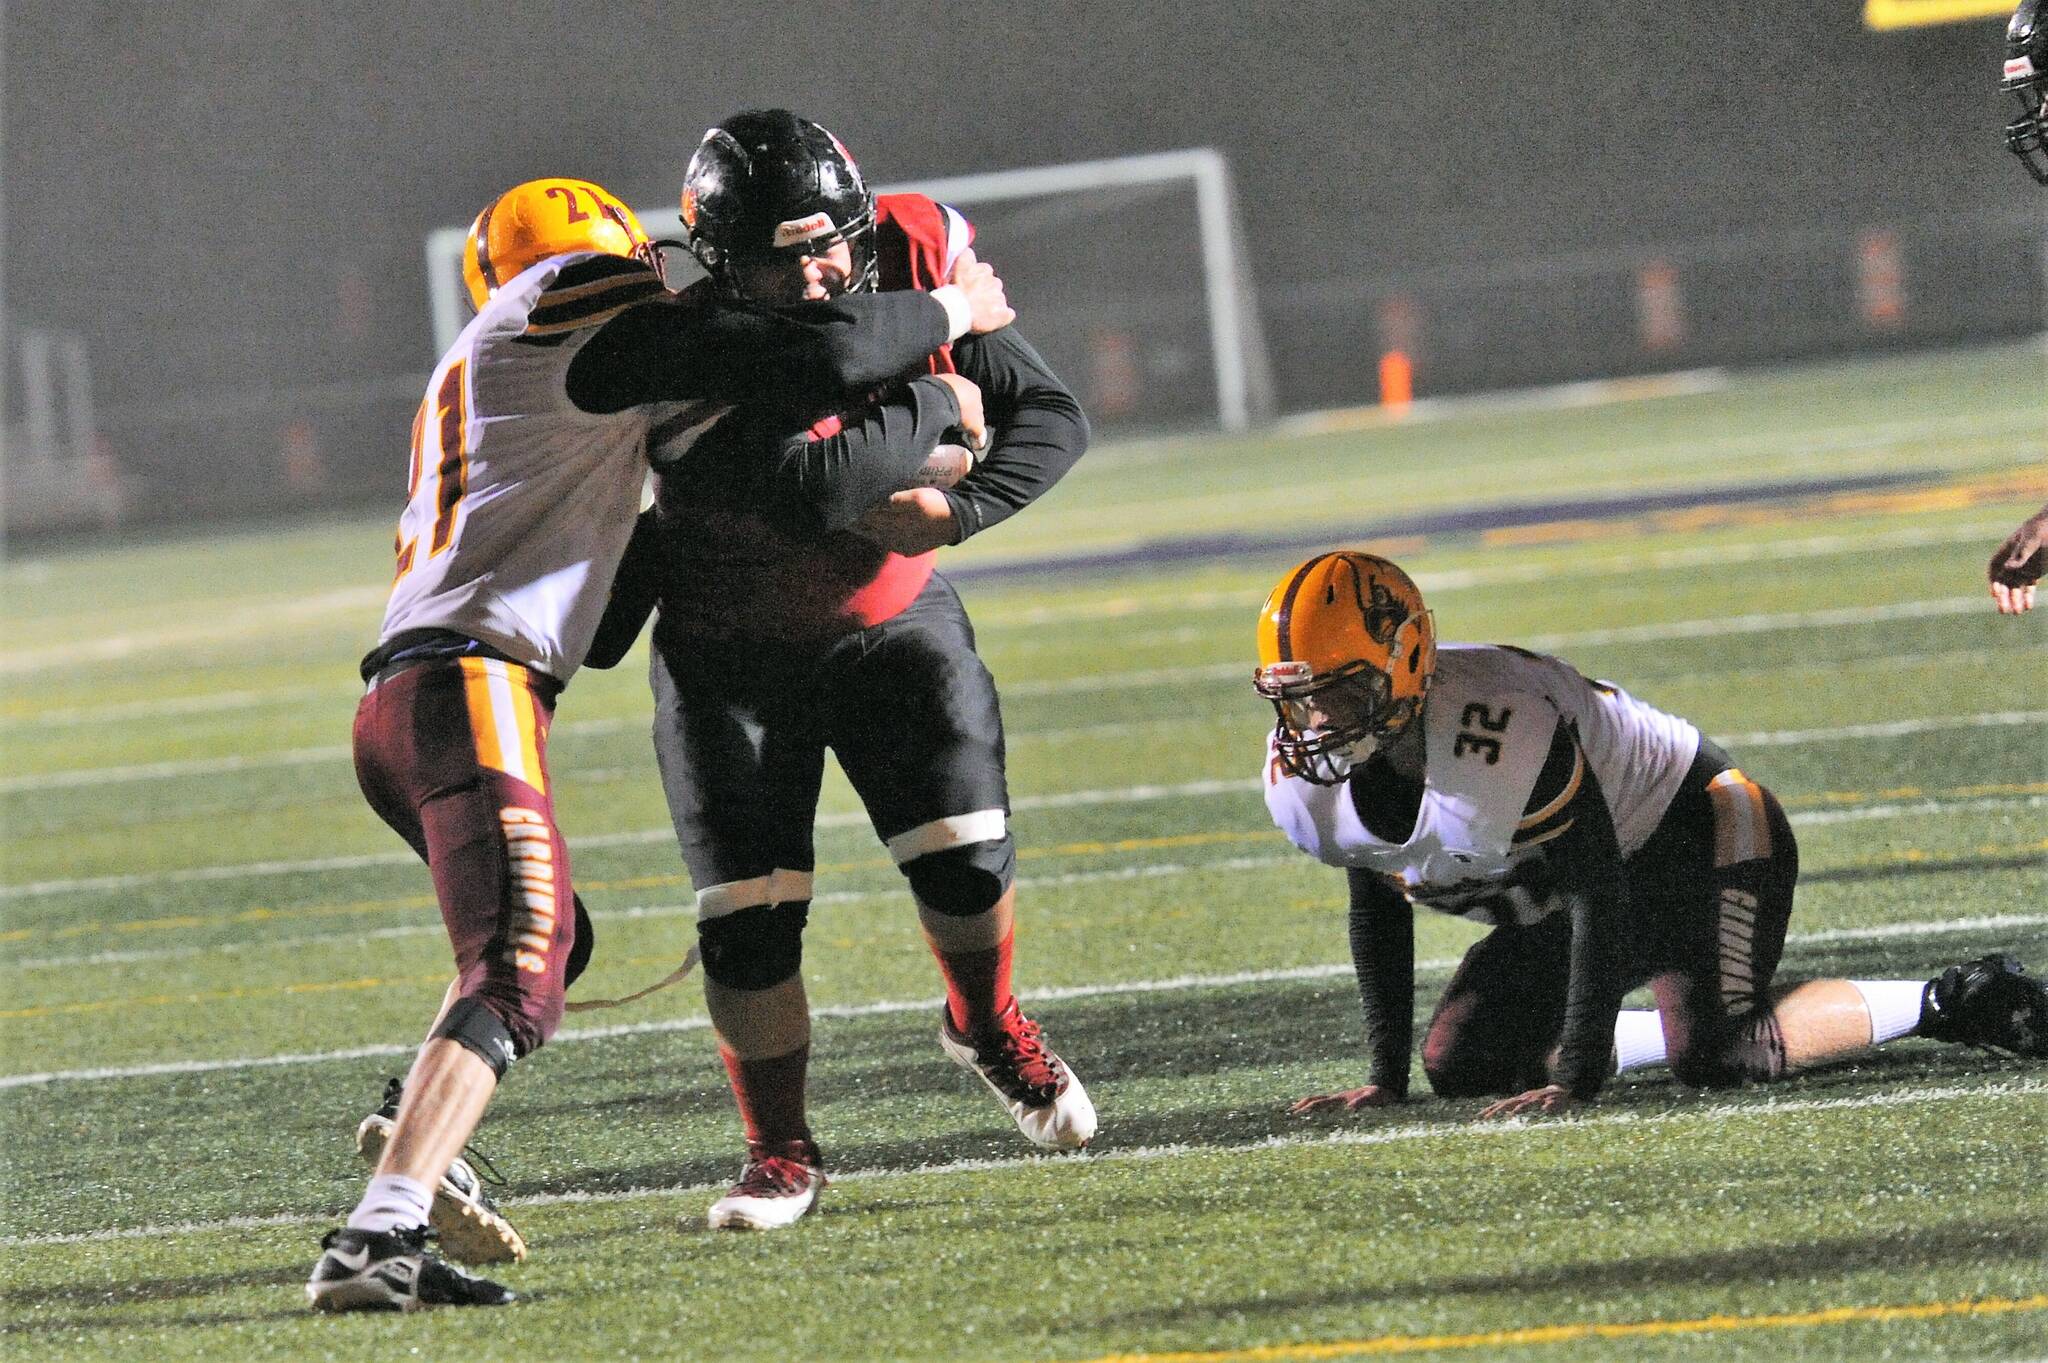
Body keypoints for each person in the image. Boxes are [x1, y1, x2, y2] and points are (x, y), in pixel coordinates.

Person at [307, 174, 1012, 1311]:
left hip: (412, 702)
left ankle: (416, 1128)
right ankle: (373, 1238)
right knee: (518, 968)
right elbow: (805, 359)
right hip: (466, 684)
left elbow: (619, 602)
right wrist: (948, 330)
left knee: (547, 949)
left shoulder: (512, 369)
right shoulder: (576, 302)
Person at [592, 110, 1095, 1231]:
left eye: (835, 242)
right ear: (723, 263)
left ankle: (985, 1021)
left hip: (891, 620)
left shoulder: (909, 245)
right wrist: (941, 394)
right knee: (748, 925)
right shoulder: (686, 331)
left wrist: (958, 508)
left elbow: (1051, 415)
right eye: (789, 254)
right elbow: (812, 480)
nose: (824, 269)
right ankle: (779, 1150)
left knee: (965, 869)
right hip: (728, 652)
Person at [1252, 551, 2048, 1120]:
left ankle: (1958, 998)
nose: (1319, 722)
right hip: (1584, 878)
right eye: (1302, 699)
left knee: (1719, 1053)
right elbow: (1375, 896)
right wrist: (1385, 1077)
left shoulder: (1496, 728)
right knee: (1461, 1062)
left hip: (1697, 829)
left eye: (1343, 692)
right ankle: (1664, 1026)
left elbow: (1600, 882)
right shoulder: (1303, 781)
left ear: (1407, 658)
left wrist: (1581, 1075)